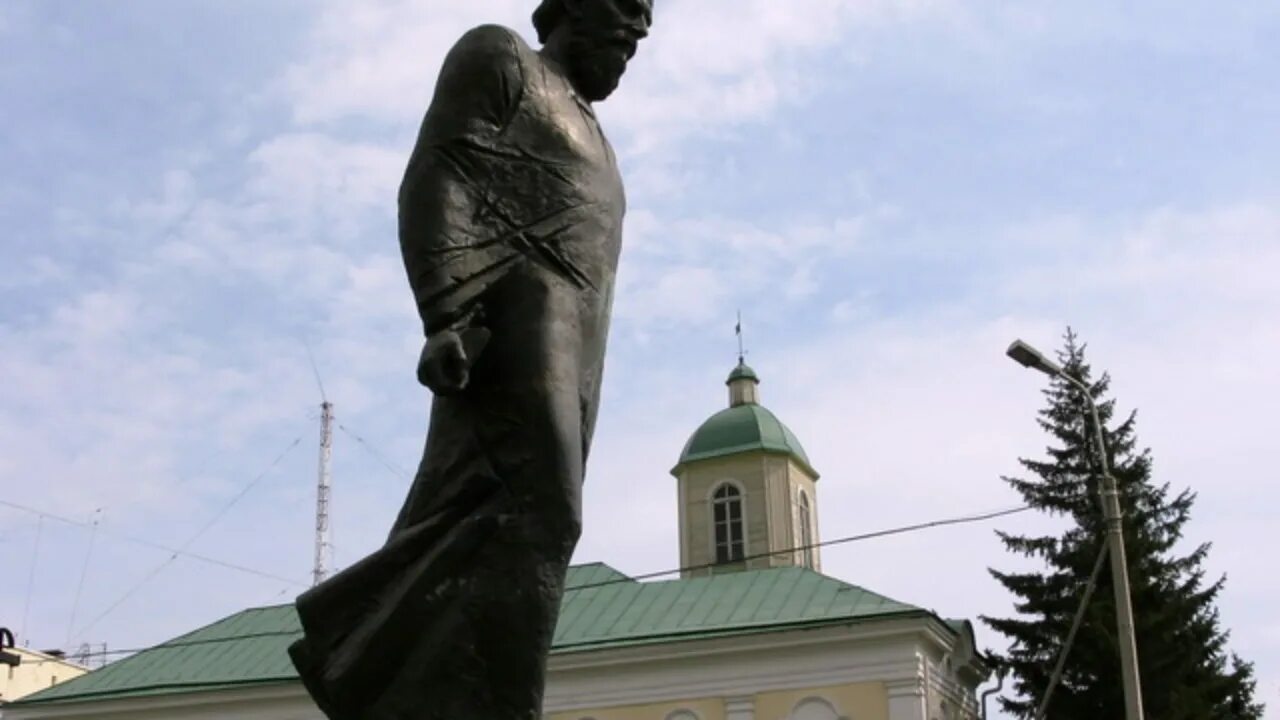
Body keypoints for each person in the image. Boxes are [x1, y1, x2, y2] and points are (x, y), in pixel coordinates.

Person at [287, 1, 652, 718]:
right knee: (540, 507)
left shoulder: (597, 131)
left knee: (492, 512)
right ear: (577, 11)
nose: (628, 52)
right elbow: (438, 173)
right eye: (621, 33)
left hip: (579, 346)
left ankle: (372, 664)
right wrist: (443, 312)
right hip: (516, 310)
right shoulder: (501, 57)